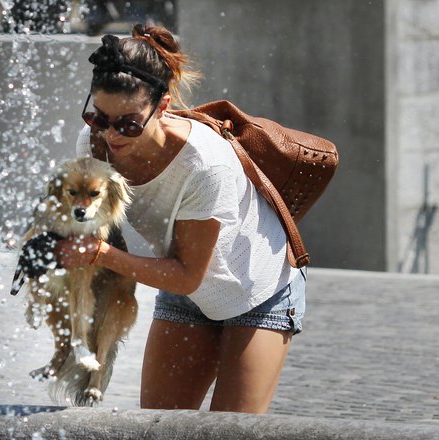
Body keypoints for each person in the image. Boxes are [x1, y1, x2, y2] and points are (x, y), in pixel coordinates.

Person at [55, 23, 306, 413]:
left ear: (163, 107)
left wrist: (99, 253)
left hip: (257, 291)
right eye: (99, 118)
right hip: (184, 286)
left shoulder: (204, 164)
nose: (111, 136)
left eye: (128, 124)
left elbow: (188, 272)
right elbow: (91, 228)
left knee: (229, 434)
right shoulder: (92, 145)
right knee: (160, 429)